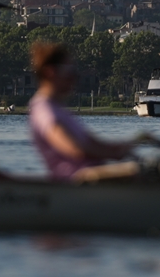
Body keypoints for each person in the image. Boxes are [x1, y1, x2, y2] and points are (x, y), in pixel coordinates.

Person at [28, 42, 134, 180]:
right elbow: (74, 150)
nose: (74, 79)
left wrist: (120, 148)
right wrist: (113, 155)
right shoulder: (44, 110)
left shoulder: (59, 109)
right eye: (69, 72)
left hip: (93, 177)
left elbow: (92, 143)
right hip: (75, 180)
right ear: (51, 72)